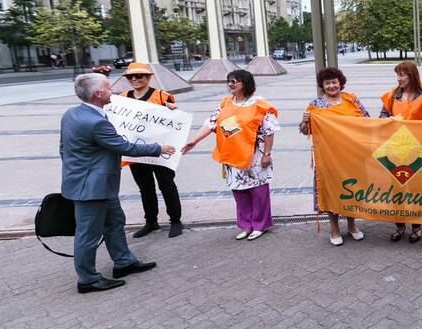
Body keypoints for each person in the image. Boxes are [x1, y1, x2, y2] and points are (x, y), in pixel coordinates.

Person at [61, 73, 174, 294]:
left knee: (115, 222)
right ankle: (87, 279)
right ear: (97, 94)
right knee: (88, 234)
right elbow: (125, 147)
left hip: (96, 184)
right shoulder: (94, 122)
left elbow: (63, 148)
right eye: (108, 88)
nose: (112, 91)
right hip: (92, 188)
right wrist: (157, 148)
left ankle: (123, 262)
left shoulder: (72, 114)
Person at [181, 69, 280, 241]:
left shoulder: (260, 104)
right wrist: (194, 141)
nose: (230, 84)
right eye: (229, 81)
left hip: (255, 156)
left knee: (258, 192)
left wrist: (267, 154)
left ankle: (260, 225)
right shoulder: (225, 102)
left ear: (246, 83)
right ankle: (246, 225)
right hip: (231, 156)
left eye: (234, 81)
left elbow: (270, 131)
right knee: (239, 191)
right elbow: (211, 123)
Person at [299, 67, 369, 246]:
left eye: (334, 82)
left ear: (340, 83)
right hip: (327, 158)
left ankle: (352, 225)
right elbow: (305, 131)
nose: (331, 86)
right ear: (322, 85)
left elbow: (368, 121)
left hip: (352, 155)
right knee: (331, 191)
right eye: (327, 83)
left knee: (352, 189)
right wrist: (305, 122)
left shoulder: (352, 100)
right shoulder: (315, 104)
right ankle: (334, 228)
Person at [119, 62, 184, 239]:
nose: (134, 79)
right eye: (130, 76)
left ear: (148, 77)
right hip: (137, 151)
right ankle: (151, 221)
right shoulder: (123, 97)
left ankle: (176, 220)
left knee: (167, 185)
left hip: (161, 150)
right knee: (145, 188)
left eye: (139, 76)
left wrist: (172, 110)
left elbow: (174, 120)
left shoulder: (162, 96)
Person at [379, 61, 422, 243]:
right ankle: (399, 225)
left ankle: (417, 226)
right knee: (397, 189)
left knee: (416, 191)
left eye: (402, 75)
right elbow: (381, 118)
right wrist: (388, 119)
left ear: (412, 76)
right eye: (397, 75)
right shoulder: (390, 97)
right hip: (394, 151)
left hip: (416, 152)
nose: (398, 78)